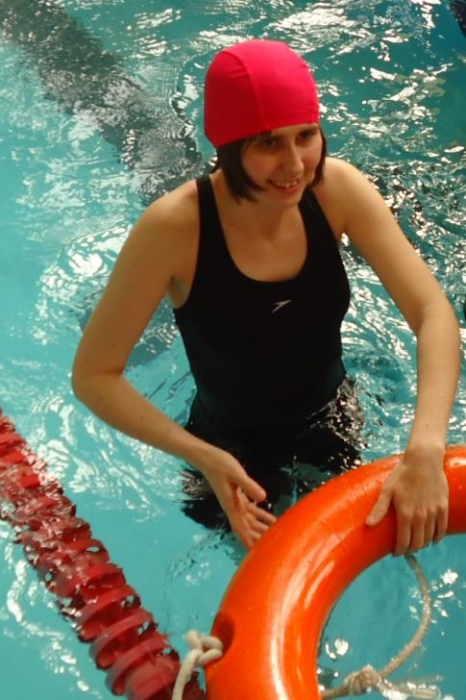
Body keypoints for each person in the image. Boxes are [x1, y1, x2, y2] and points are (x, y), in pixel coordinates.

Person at [72, 39, 460, 553]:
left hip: (332, 418)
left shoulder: (337, 192)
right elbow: (94, 376)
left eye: (306, 136)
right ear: (228, 147)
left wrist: (426, 448)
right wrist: (203, 457)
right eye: (268, 143)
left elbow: (433, 313)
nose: (295, 164)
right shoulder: (174, 229)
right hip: (225, 453)